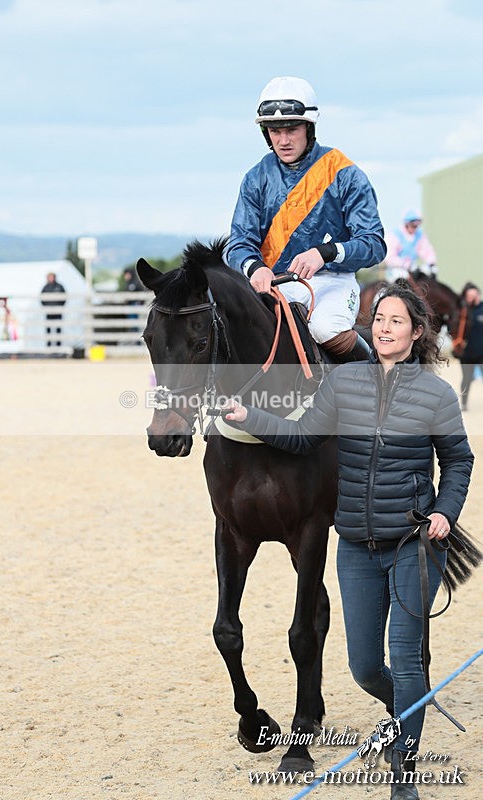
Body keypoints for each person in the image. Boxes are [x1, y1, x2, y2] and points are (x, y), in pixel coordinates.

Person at [224, 283, 473, 799]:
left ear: (417, 332)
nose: (384, 328)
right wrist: (252, 420)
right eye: (379, 319)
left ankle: (404, 774)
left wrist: (445, 513)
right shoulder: (344, 384)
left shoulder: (436, 393)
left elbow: (458, 461)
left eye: (396, 321)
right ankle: (410, 705)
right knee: (364, 666)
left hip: (413, 542)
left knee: (405, 660)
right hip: (357, 547)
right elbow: (303, 437)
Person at [226, 75, 386, 362]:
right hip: (273, 284)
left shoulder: (343, 173)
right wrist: (254, 269)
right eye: (275, 131)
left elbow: (373, 243)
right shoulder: (255, 178)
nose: (283, 140)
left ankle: (375, 383)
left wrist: (324, 254)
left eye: (291, 129)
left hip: (332, 282)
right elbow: (239, 243)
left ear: (309, 128)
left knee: (326, 328)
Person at [384, 210, 437, 282]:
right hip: (395, 271)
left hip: (412, 271)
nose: (415, 228)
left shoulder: (419, 235)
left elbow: (427, 251)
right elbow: (390, 257)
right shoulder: (396, 235)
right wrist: (406, 264)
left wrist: (431, 264)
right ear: (407, 223)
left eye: (417, 225)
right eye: (413, 225)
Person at [458, 282, 483, 411]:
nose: (470, 298)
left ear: (477, 294)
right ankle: (464, 403)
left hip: (481, 354)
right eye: (468, 296)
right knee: (466, 379)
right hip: (467, 354)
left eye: (472, 295)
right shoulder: (463, 312)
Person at [40, 272, 66, 347]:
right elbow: (42, 298)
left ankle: (58, 345)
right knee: (48, 329)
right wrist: (47, 307)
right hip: (49, 311)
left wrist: (59, 306)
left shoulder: (59, 286)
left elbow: (64, 298)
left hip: (58, 311)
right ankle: (49, 345)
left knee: (58, 328)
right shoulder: (45, 287)